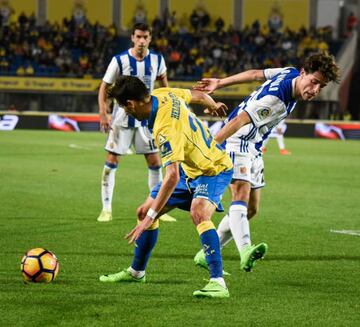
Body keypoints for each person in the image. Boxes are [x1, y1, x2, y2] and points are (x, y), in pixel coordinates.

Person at [193, 52, 340, 272]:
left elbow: (254, 74)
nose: (315, 90)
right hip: (238, 140)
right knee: (240, 195)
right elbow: (239, 120)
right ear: (303, 73)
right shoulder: (276, 101)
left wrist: (220, 82)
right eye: (314, 82)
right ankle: (245, 251)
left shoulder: (287, 72)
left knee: (251, 209)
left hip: (254, 145)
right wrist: (212, 146)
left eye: (321, 86)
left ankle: (206, 254)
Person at [99, 76, 233, 299]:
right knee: (142, 211)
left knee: (198, 213)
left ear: (130, 104)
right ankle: (136, 273)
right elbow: (198, 95)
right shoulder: (163, 93)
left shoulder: (164, 127)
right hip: (190, 170)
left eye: (123, 107)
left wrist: (152, 217)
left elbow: (171, 176)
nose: (126, 112)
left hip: (213, 168)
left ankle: (218, 282)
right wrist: (213, 104)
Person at [97, 23, 172, 222]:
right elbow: (104, 87)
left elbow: (165, 87)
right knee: (112, 161)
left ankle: (157, 209)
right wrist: (103, 113)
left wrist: (167, 109)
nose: (141, 41)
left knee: (155, 162)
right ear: (132, 37)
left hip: (148, 119)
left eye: (145, 37)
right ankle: (106, 209)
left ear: (150, 38)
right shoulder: (119, 60)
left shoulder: (157, 59)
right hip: (122, 119)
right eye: (138, 36)